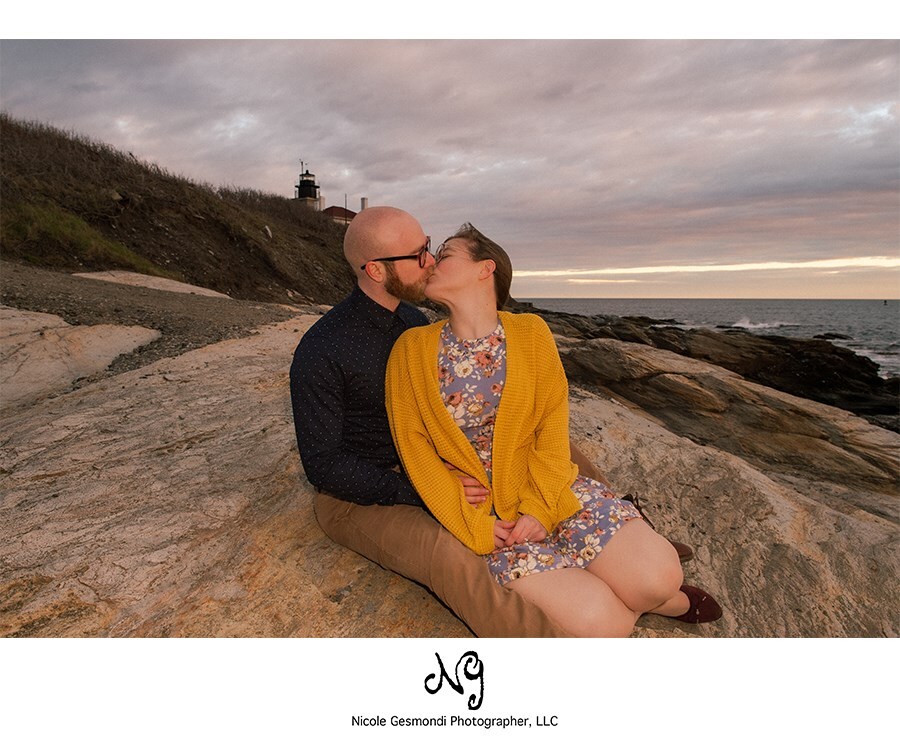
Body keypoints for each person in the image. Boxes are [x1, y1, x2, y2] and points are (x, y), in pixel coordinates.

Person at [385, 223, 722, 636]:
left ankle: (664, 599)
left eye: (446, 252)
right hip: (488, 518)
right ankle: (633, 598)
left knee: (658, 579)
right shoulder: (410, 349)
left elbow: (551, 426)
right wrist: (475, 527)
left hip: (550, 490)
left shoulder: (531, 333)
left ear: (484, 269)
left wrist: (542, 511)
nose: (433, 260)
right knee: (605, 625)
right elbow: (413, 447)